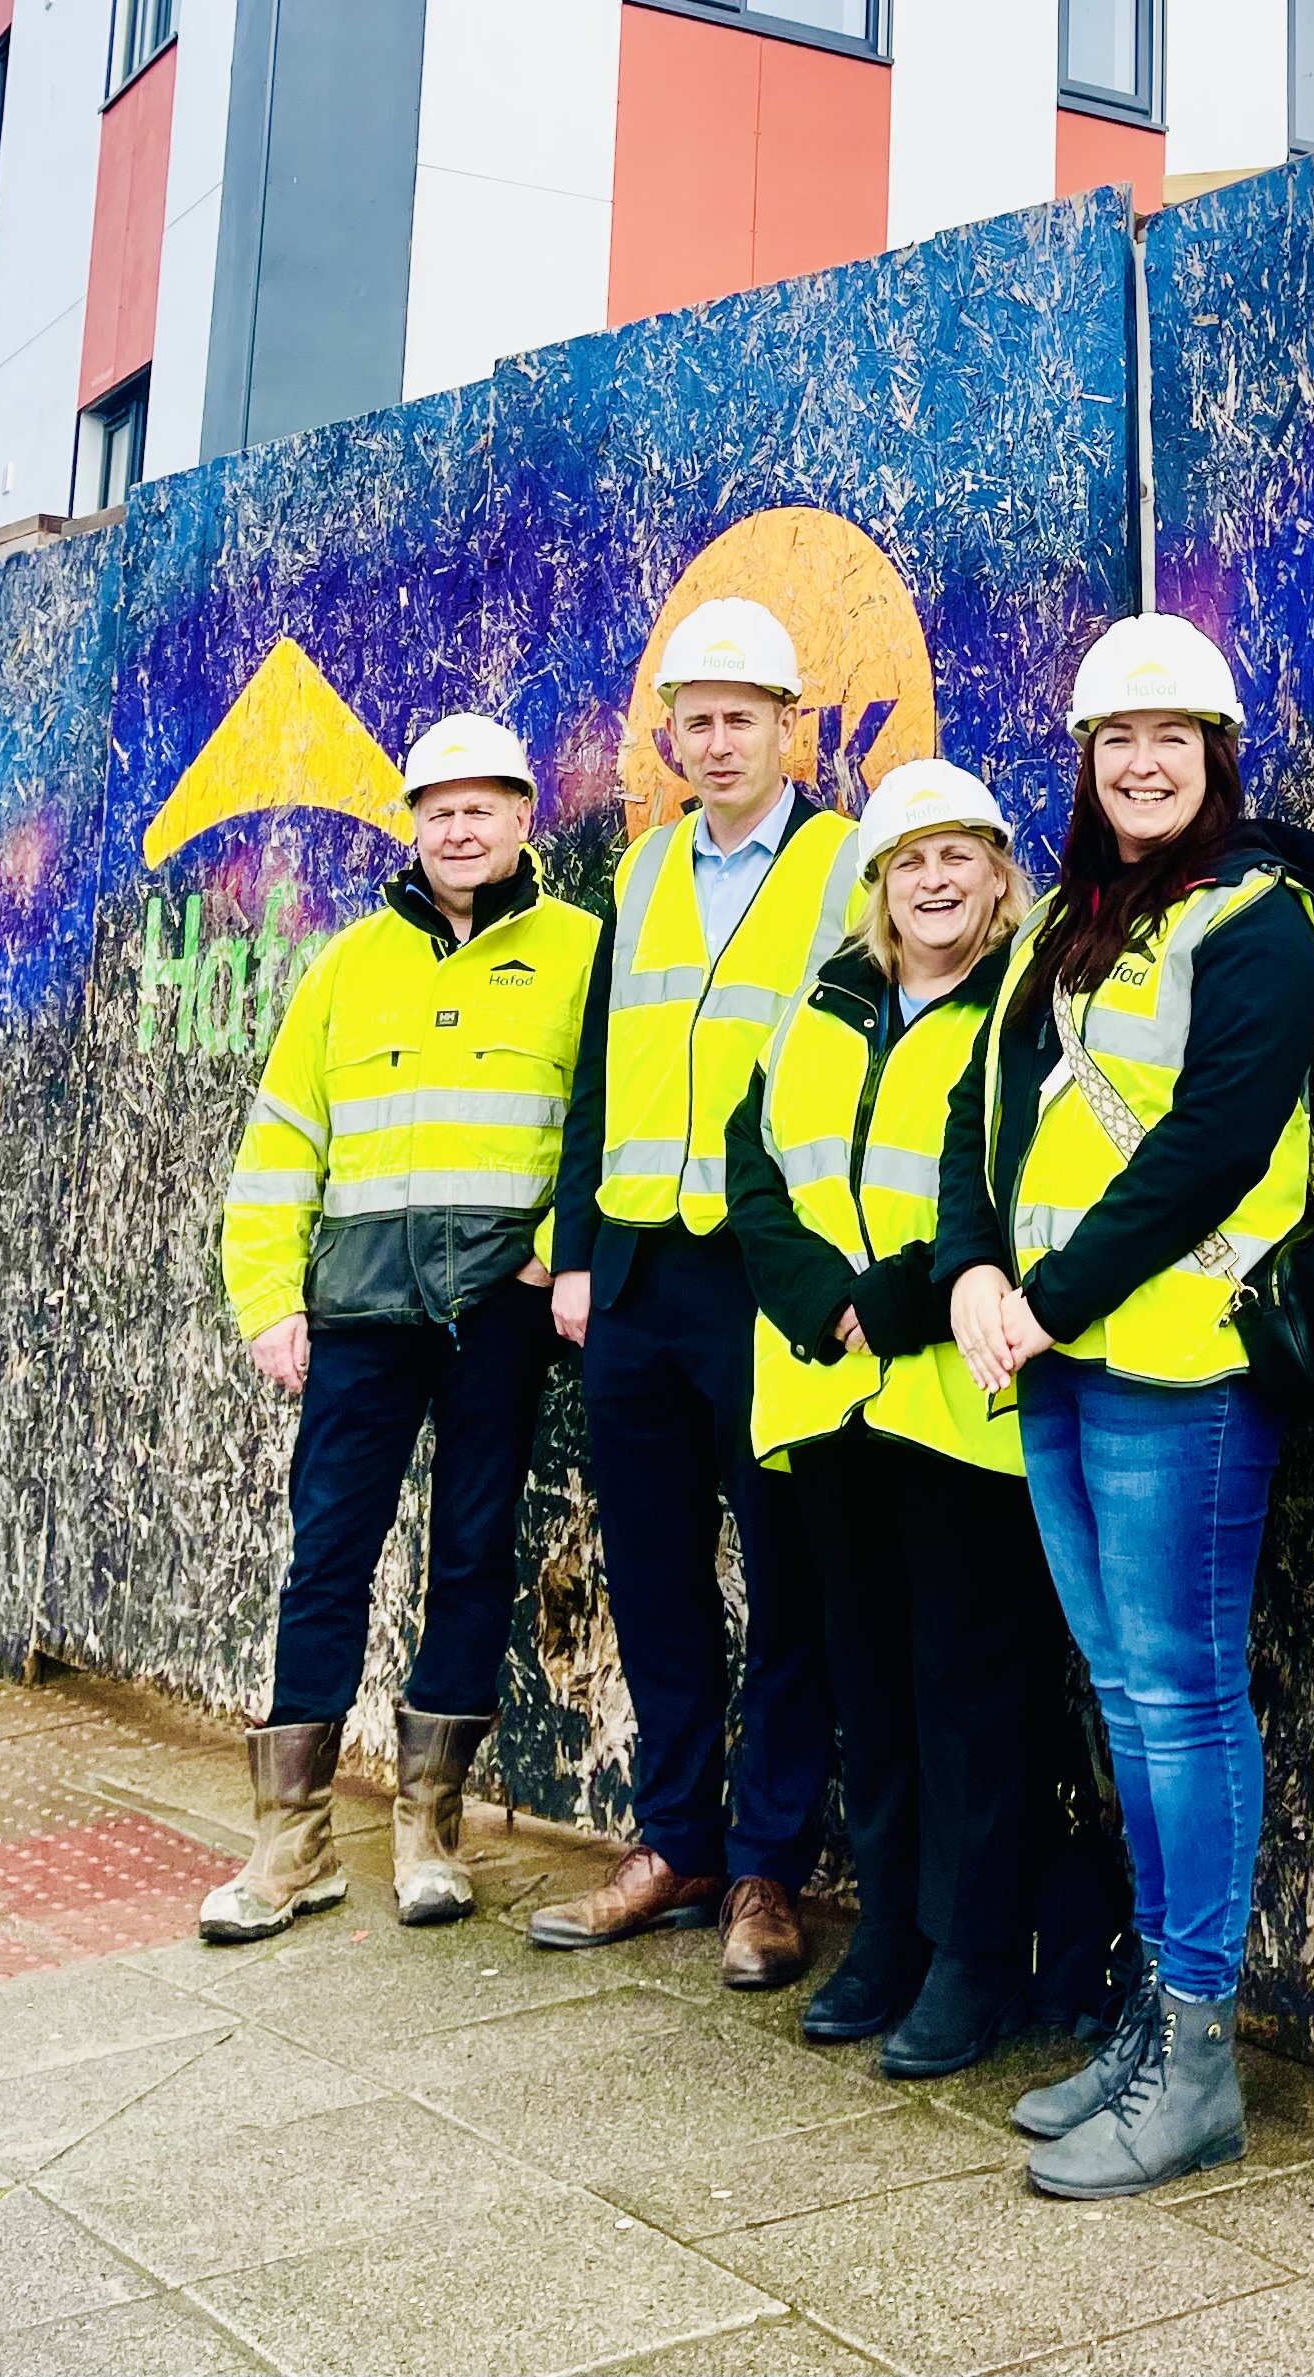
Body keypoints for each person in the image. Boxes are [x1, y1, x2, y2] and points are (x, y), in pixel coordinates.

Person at [939, 612, 1314, 2200]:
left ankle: (1198, 2059)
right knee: (1125, 1694)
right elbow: (995, 1118)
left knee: (1183, 1696)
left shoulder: (1257, 919)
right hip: (1048, 1355)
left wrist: (1046, 1298)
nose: (1143, 762)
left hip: (1177, 1361)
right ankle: (1148, 2020)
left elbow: (1214, 1148)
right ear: (1088, 764)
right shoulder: (1064, 921)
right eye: (1117, 741)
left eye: (1172, 739)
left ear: (1216, 757)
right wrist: (979, 1270)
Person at [206, 712, 598, 1943]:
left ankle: (431, 1825)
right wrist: (267, 1297)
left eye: (484, 805)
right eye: (439, 809)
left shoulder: (585, 951)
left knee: (472, 1553)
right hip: (361, 1313)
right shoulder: (345, 964)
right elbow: (283, 1144)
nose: (461, 826)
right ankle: (293, 1841)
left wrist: (558, 1243)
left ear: (524, 817)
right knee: (325, 1555)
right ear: (412, 826)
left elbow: (607, 1113)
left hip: (498, 1310)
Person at [530, 598, 865, 1990]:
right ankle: (676, 1840)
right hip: (640, 1269)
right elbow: (601, 1063)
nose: (718, 741)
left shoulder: (850, 865)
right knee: (657, 1571)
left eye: (744, 716)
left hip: (766, 1269)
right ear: (667, 735)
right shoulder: (646, 867)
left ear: (794, 728)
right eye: (697, 720)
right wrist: (577, 1252)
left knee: (789, 1576)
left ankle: (769, 1871)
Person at [724, 757, 1069, 2077]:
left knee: (973, 1691)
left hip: (959, 1399)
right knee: (869, 1681)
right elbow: (755, 1171)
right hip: (830, 1398)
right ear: (876, 885)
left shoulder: (1027, 1007)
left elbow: (1028, 1188)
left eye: (959, 856)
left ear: (998, 874)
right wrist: (822, 1303)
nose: (934, 879)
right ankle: (890, 1934)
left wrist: (894, 1307)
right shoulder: (827, 1001)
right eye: (908, 860)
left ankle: (974, 1950)